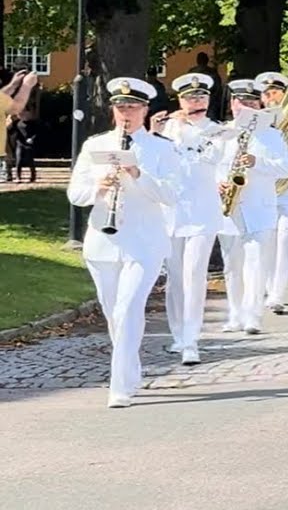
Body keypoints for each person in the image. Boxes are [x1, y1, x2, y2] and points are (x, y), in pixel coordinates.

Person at [66, 77, 180, 408]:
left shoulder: (162, 148)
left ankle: (118, 385)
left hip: (144, 242)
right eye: (120, 107)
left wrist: (138, 173)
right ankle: (130, 370)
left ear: (145, 110)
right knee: (113, 312)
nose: (125, 113)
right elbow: (76, 193)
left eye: (132, 107)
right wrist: (99, 186)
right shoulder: (94, 146)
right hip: (103, 238)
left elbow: (172, 195)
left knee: (128, 307)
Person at [152, 73, 225, 365]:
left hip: (203, 212)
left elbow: (213, 159)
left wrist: (187, 133)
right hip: (171, 212)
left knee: (194, 274)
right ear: (180, 100)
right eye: (190, 98)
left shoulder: (219, 131)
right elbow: (157, 162)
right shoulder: (166, 129)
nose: (196, 102)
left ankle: (192, 339)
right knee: (175, 277)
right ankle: (178, 334)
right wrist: (162, 131)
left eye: (201, 98)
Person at [215, 80, 288, 336]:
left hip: (260, 208)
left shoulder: (271, 135)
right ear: (232, 105)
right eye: (240, 103)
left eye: (251, 103)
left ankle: (253, 316)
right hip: (229, 209)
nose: (245, 108)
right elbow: (209, 166)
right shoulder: (222, 133)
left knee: (256, 263)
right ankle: (235, 314)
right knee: (232, 265)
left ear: (259, 105)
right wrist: (218, 183)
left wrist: (256, 161)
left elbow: (285, 168)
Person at [257, 71, 288, 315]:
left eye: (276, 92)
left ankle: (278, 293)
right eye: (267, 93)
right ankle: (265, 285)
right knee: (266, 238)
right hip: (262, 188)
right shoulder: (254, 120)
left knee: (284, 239)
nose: (271, 97)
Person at [187, 52, 224, 121]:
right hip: (211, 104)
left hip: (195, 104)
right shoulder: (212, 72)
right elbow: (218, 91)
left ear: (197, 61)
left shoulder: (192, 72)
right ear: (207, 61)